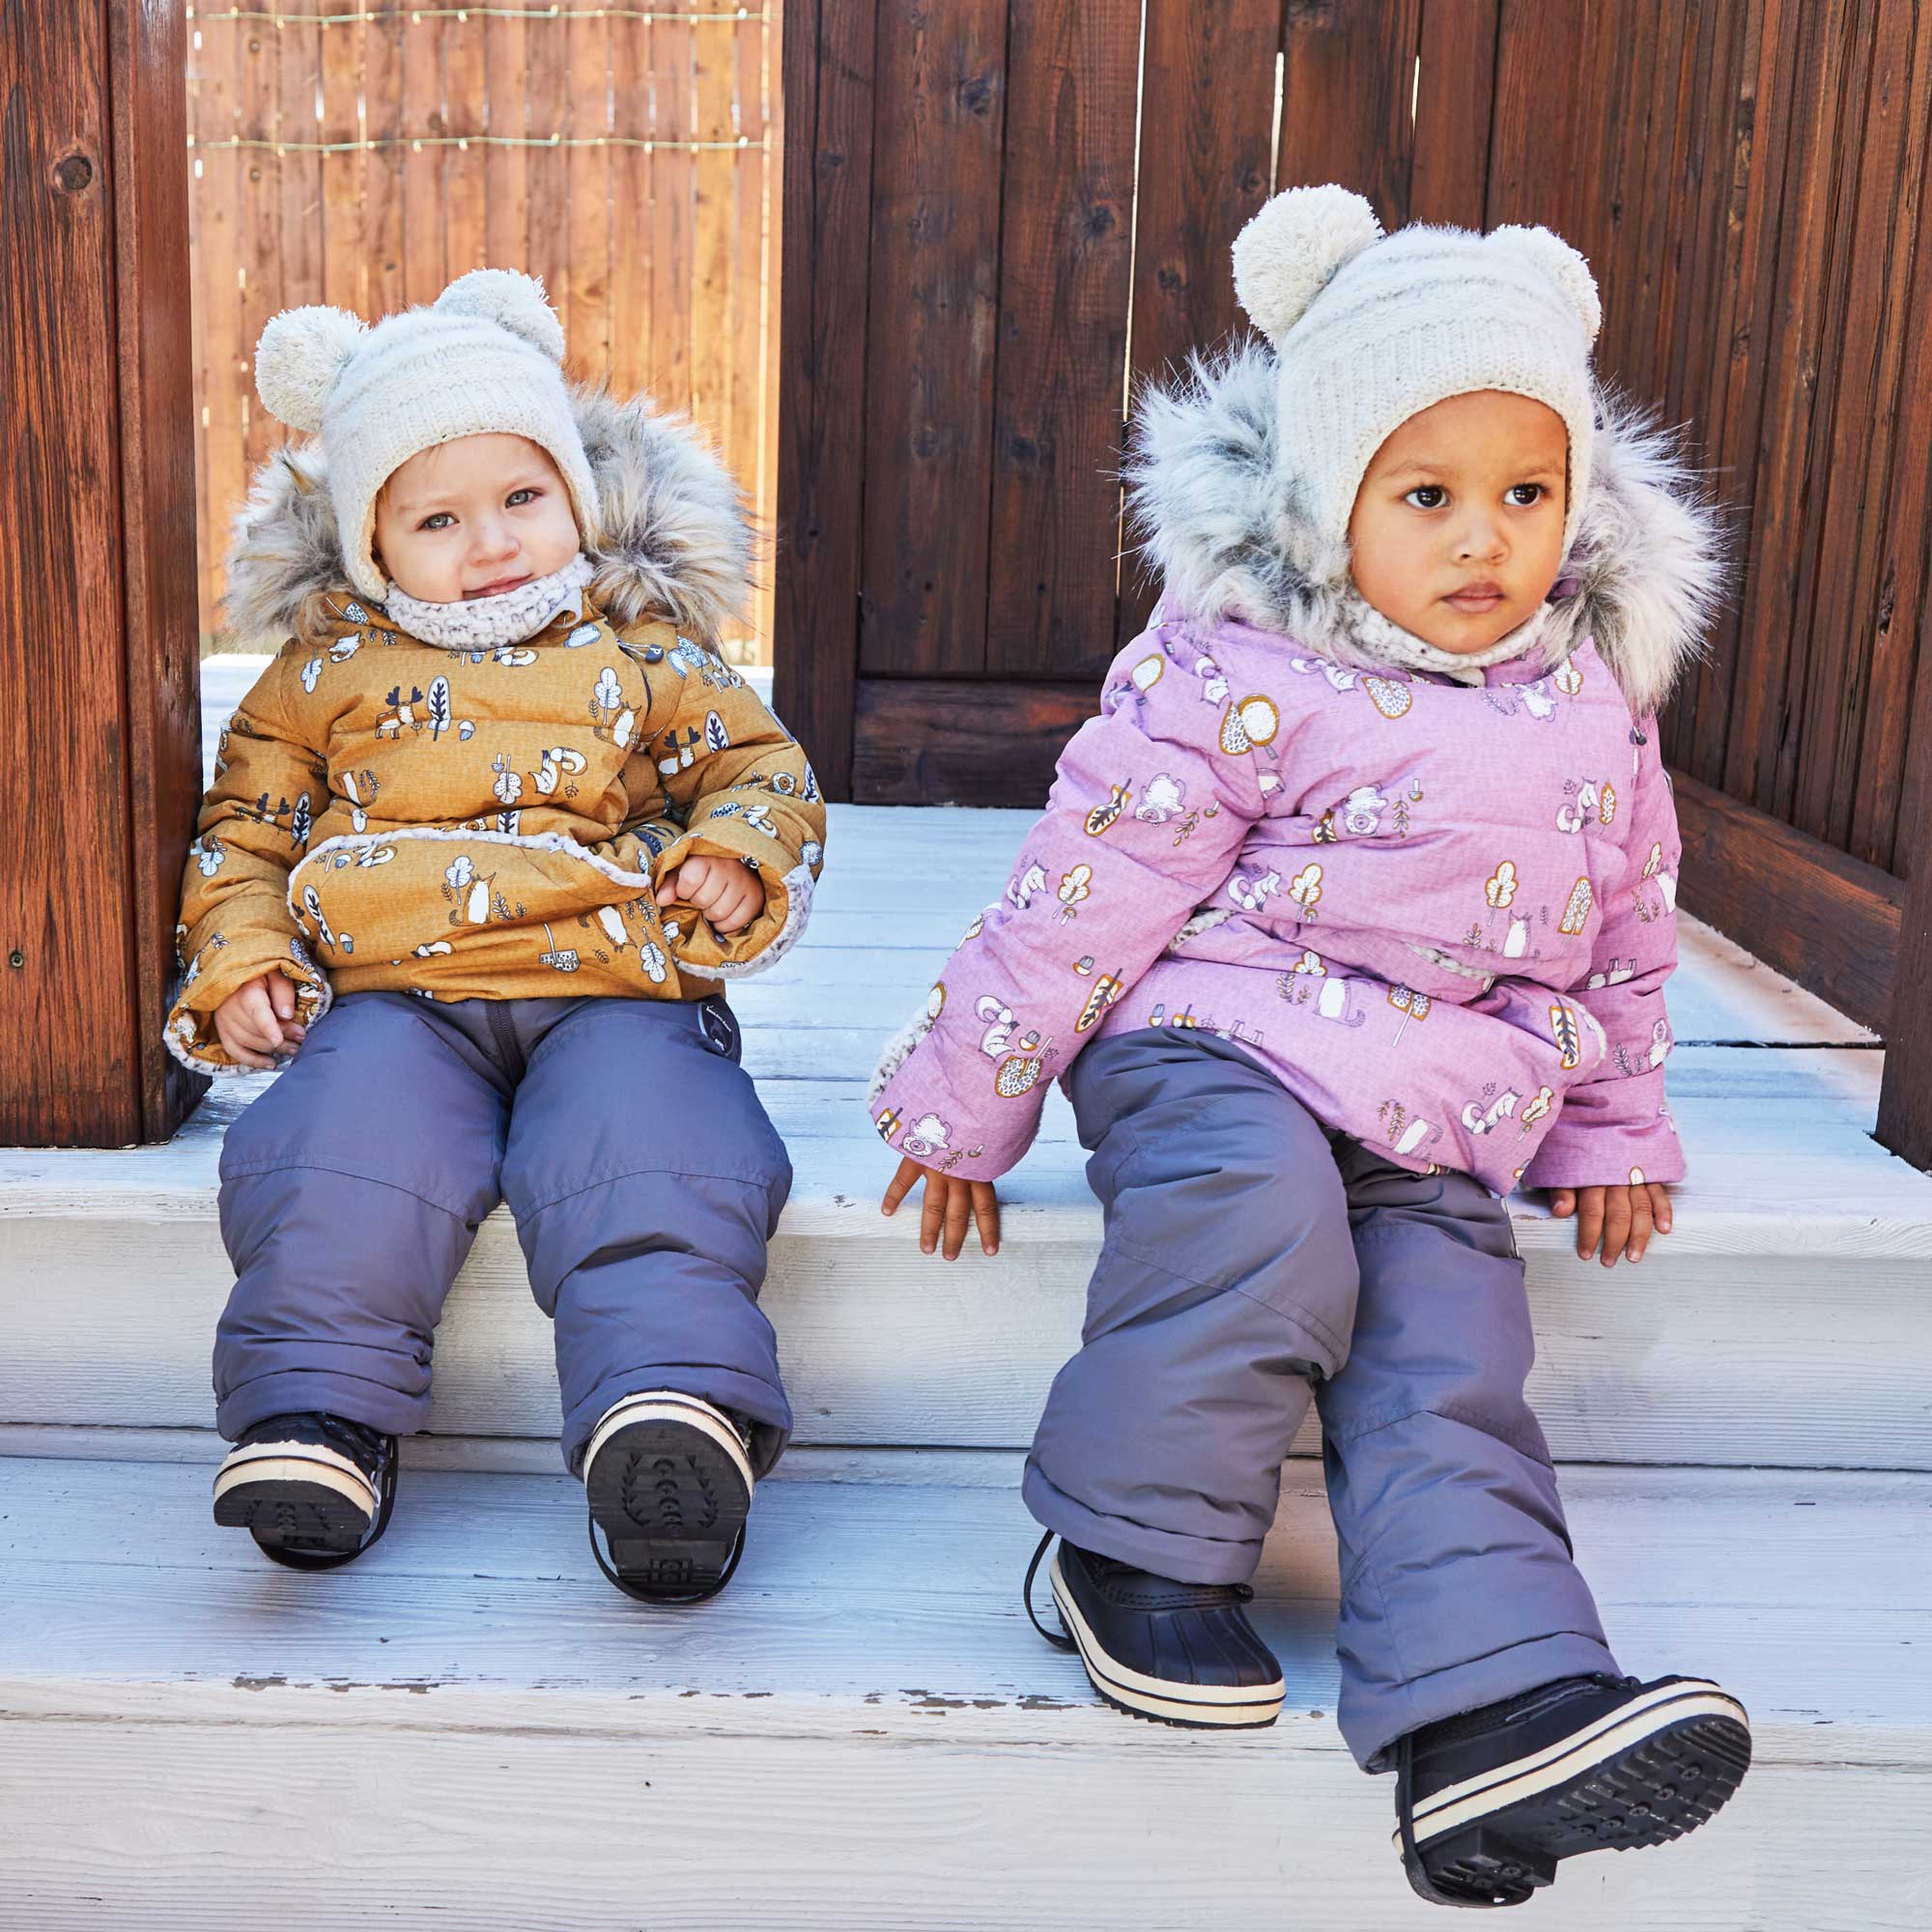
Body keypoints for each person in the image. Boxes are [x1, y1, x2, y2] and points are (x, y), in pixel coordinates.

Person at [867, 186, 1748, 1907]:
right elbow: (1087, 889)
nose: (1487, 540)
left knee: (1450, 1335)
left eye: (1526, 493)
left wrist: (1614, 1131)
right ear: (1329, 495)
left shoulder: (1591, 695)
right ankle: (1122, 1552)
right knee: (1265, 1233)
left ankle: (1489, 1718)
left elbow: (1630, 926)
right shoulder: (1238, 667)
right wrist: (968, 1104)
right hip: (1215, 1037)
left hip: (1442, 1093)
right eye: (1429, 497)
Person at [172, 269, 824, 1604]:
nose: (492, 542)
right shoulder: (319, 676)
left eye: (521, 497)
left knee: (652, 1155)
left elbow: (761, 774)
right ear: (370, 543)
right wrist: (241, 959)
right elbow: (244, 832)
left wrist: (731, 860)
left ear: (573, 493)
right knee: (340, 1156)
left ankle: (669, 1414)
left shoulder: (643, 645)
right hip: (394, 995)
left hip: (616, 984)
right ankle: (315, 1420)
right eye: (438, 517)